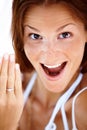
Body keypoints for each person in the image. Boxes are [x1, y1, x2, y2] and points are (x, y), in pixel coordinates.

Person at [0, 0, 87, 130]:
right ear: (21, 38)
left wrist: (6, 126)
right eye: (35, 36)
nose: (49, 55)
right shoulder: (6, 93)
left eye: (64, 35)